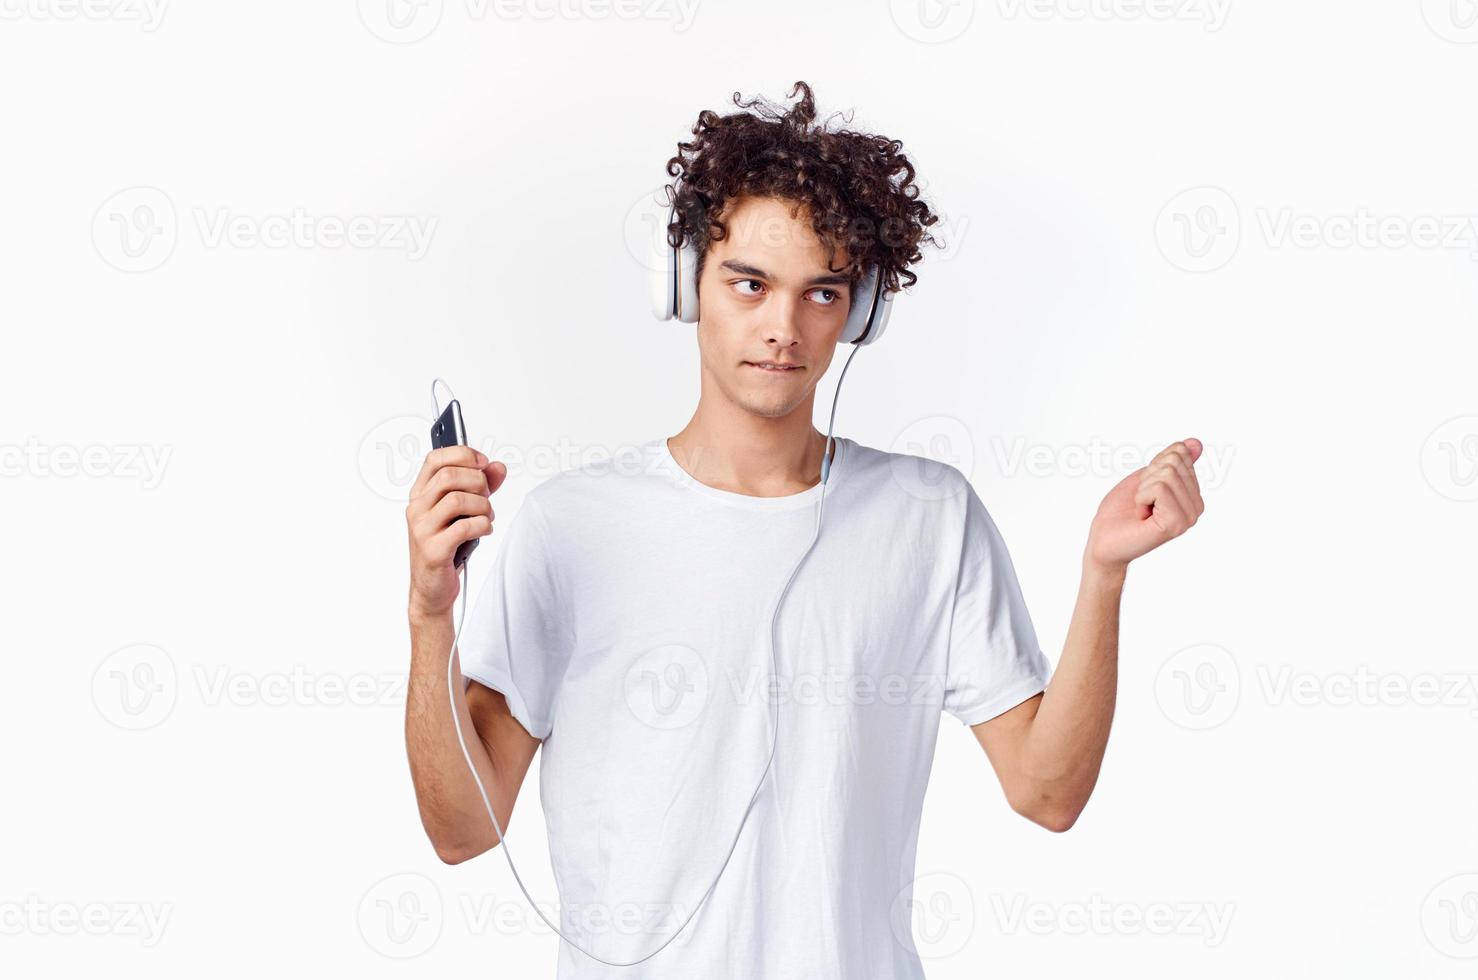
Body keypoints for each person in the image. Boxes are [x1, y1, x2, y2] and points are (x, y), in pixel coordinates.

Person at [402, 81, 1205, 979]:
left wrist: (1103, 575)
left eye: (821, 293)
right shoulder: (571, 526)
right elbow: (463, 831)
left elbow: (1048, 794)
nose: (782, 328)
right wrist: (431, 615)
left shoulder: (928, 517)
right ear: (687, 286)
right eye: (749, 284)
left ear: (858, 311)